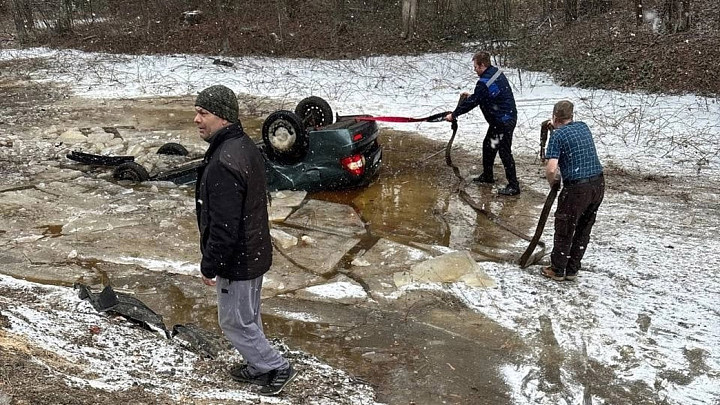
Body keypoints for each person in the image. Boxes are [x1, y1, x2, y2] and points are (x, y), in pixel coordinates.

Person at [193, 85, 296, 395]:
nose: (196, 119)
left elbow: (224, 227)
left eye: (203, 113)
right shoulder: (241, 144)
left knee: (234, 322)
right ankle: (258, 365)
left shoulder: (225, 161)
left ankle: (275, 367)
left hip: (238, 258)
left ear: (223, 117)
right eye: (197, 111)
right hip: (253, 251)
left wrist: (210, 265)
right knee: (247, 317)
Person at [542, 100, 604, 281]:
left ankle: (557, 269)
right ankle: (572, 268)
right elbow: (571, 138)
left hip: (577, 188)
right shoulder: (583, 127)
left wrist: (552, 183)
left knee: (565, 227)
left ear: (554, 116)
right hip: (598, 184)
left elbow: (551, 168)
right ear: (572, 116)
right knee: (584, 228)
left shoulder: (557, 136)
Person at [445, 51, 520, 196]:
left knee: (504, 152)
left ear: (482, 65)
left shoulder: (484, 82)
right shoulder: (496, 73)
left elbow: (473, 102)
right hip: (503, 119)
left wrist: (453, 115)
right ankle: (487, 176)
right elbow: (487, 95)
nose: (474, 69)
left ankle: (514, 186)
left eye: (475, 66)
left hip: (503, 122)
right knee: (488, 146)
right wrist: (474, 96)